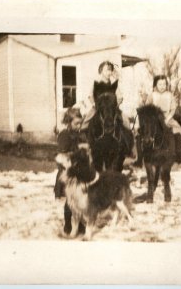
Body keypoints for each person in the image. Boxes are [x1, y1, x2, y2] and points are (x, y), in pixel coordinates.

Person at [133, 75, 181, 166]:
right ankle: (140, 159)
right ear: (155, 85)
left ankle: (178, 154)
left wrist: (168, 118)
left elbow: (173, 109)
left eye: (164, 84)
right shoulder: (152, 95)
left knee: (178, 130)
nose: (162, 86)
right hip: (154, 118)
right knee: (141, 132)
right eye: (160, 84)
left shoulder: (169, 95)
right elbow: (147, 107)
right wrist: (143, 99)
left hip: (167, 117)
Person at [54, 107, 85, 235]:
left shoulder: (80, 135)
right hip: (67, 172)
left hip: (79, 171)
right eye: (76, 123)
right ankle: (67, 222)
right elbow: (62, 155)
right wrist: (78, 151)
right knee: (69, 200)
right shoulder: (64, 135)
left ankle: (81, 224)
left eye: (80, 123)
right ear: (68, 122)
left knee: (80, 199)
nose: (78, 126)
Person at [81, 60, 130, 130]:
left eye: (110, 70)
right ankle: (81, 133)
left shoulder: (113, 85)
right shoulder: (97, 83)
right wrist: (94, 104)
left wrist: (115, 105)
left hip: (112, 108)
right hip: (98, 107)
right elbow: (90, 95)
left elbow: (120, 97)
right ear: (101, 71)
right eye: (107, 70)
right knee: (87, 120)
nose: (109, 73)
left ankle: (131, 135)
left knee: (125, 120)